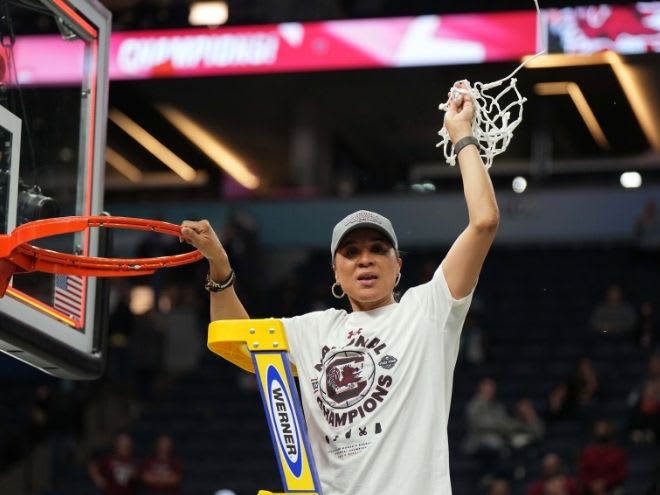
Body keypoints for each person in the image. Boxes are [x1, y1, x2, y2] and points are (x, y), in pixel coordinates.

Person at [180, 80, 499, 495]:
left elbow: (484, 223)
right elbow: (233, 338)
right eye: (350, 252)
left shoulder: (428, 311)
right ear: (335, 271)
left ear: (397, 265)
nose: (364, 258)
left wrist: (462, 136)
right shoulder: (314, 330)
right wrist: (219, 265)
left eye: (377, 248)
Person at [577, 419, 627, 495]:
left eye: (604, 429)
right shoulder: (587, 452)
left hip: (611, 488)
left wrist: (605, 483)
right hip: (590, 488)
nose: (601, 431)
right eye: (599, 429)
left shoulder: (618, 453)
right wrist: (593, 484)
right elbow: (583, 472)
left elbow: (621, 474)